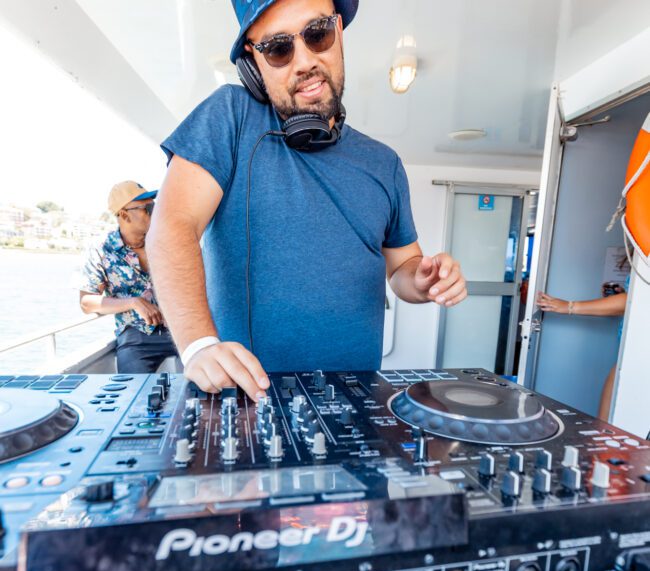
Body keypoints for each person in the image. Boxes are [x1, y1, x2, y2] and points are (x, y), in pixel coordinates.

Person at [146, 0, 467, 402]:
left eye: (317, 34)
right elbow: (172, 224)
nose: (304, 61)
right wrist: (197, 345)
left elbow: (403, 265)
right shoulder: (229, 116)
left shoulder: (385, 164)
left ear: (338, 31)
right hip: (245, 402)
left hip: (356, 401)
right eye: (279, 48)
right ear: (253, 62)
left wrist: (424, 279)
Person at [80, 180, 178, 373]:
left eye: (154, 206)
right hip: (136, 338)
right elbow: (87, 302)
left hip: (180, 328)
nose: (154, 211)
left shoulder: (167, 241)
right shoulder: (101, 249)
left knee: (204, 384)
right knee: (132, 393)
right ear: (124, 215)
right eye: (146, 208)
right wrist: (134, 302)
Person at [536, 288, 628, 421]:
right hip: (626, 356)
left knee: (606, 426)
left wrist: (570, 306)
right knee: (606, 425)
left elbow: (632, 300)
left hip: (635, 357)